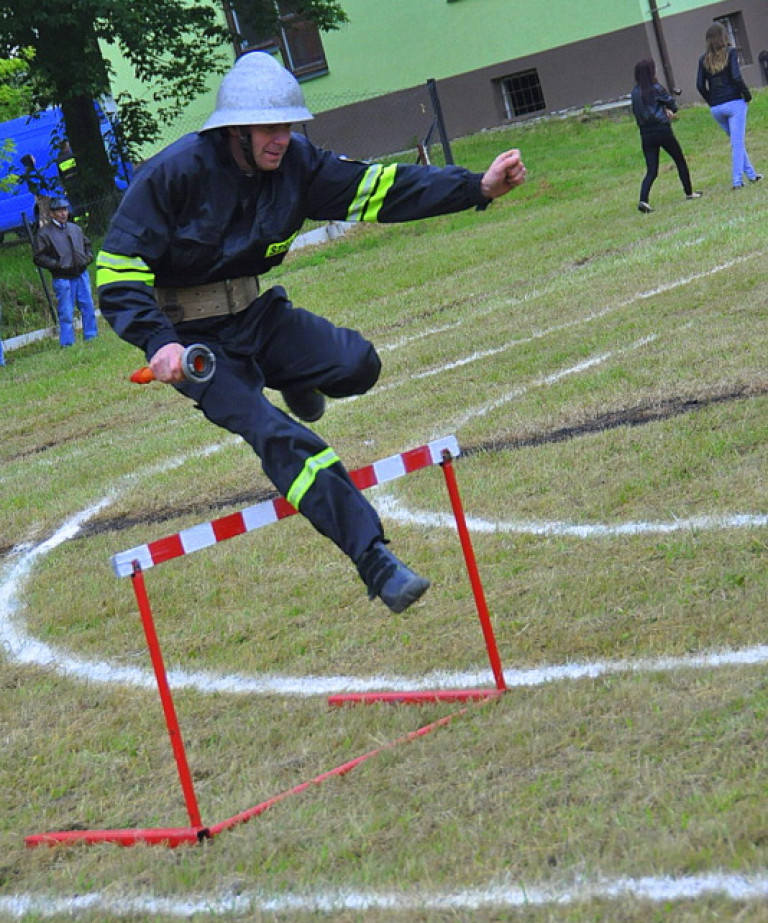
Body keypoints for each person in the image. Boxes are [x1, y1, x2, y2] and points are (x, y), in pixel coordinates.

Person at [96, 50, 526, 614]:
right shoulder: (175, 174)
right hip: (196, 344)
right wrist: (160, 343)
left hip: (256, 314)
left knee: (358, 365)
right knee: (278, 436)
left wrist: (478, 188)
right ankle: (375, 561)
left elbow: (380, 188)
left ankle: (298, 378)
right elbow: (116, 272)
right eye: (271, 128)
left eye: (290, 125)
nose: (283, 137)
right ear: (236, 130)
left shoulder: (298, 164)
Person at [631, 58, 702, 213]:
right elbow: (673, 106)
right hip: (662, 130)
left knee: (652, 169)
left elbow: (638, 112)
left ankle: (643, 200)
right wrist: (666, 110)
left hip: (645, 134)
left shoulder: (635, 93)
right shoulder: (656, 88)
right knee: (679, 160)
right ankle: (689, 192)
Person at [696, 22, 762, 189]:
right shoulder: (731, 53)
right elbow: (736, 76)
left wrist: (711, 101)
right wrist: (746, 95)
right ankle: (737, 181)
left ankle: (752, 175)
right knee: (737, 143)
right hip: (734, 103)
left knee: (736, 141)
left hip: (716, 108)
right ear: (724, 37)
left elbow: (699, 85)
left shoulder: (703, 59)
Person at [32, 197, 99, 348]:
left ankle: (91, 336)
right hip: (62, 278)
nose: (63, 213)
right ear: (52, 214)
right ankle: (68, 343)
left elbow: (86, 244)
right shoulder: (44, 234)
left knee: (88, 306)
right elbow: (38, 257)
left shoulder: (75, 229)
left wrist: (87, 258)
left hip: (81, 274)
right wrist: (58, 265)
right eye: (59, 211)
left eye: (65, 210)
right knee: (66, 312)